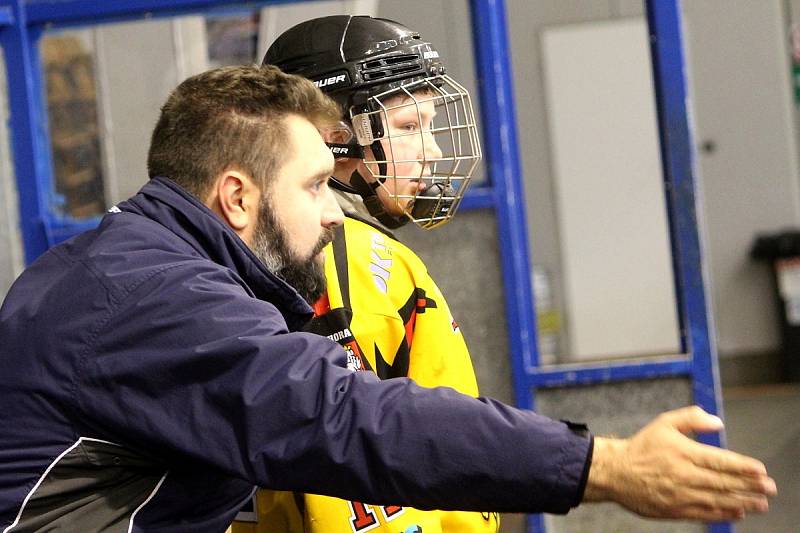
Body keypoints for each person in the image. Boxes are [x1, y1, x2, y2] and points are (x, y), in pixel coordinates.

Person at [0, 65, 774, 533]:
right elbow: (349, 418)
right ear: (235, 197)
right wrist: (603, 464)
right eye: (311, 187)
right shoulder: (152, 297)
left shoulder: (133, 262)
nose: (335, 210)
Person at [232, 15, 494, 533]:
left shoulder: (252, 245)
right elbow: (358, 478)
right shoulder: (351, 264)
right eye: (407, 127)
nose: (434, 149)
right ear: (334, 136)